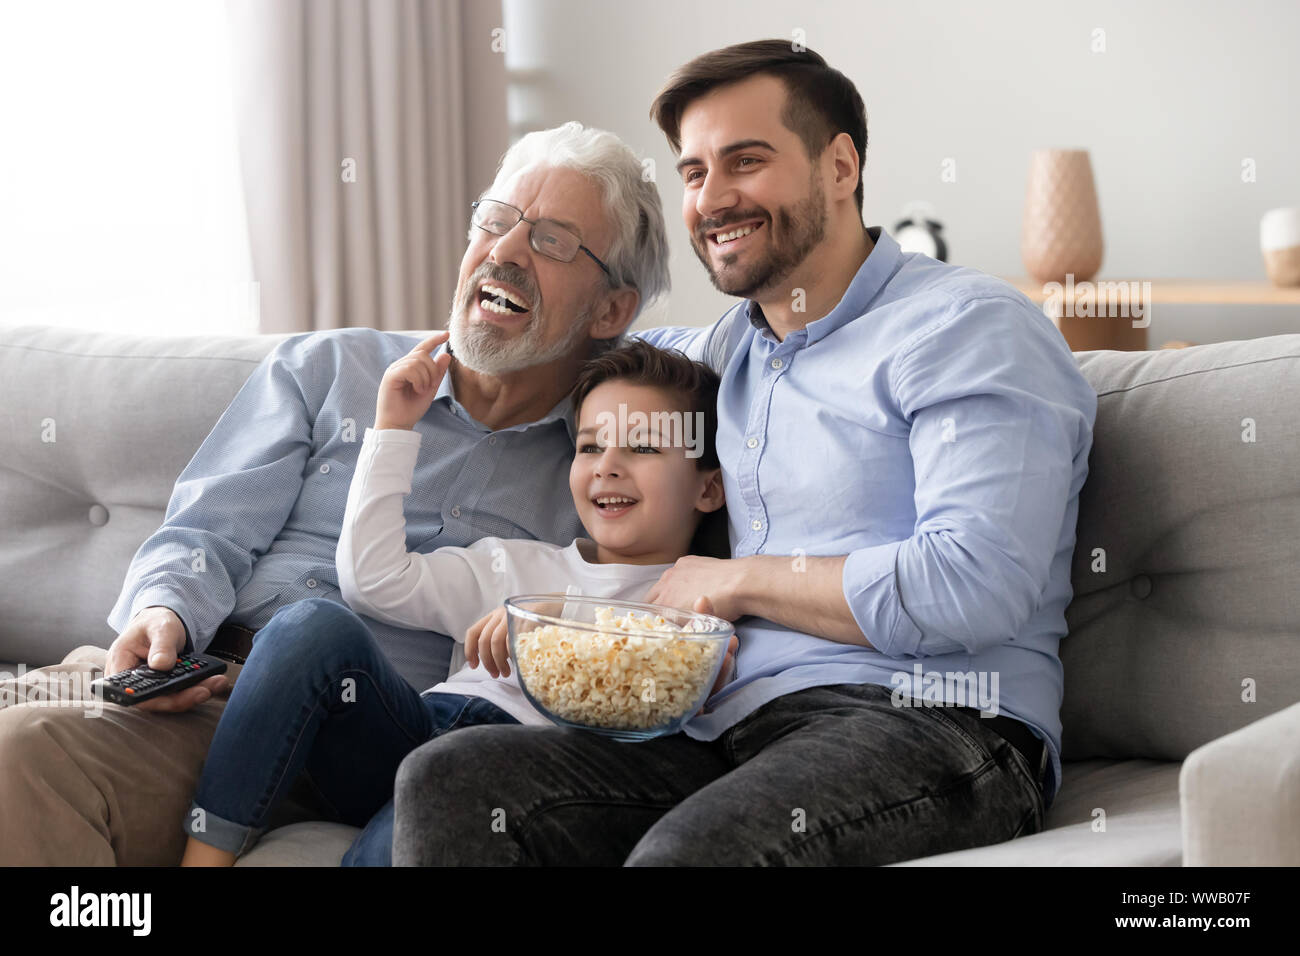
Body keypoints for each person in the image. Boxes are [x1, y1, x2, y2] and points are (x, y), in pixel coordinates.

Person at [390, 39, 1099, 866]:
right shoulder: (727, 352)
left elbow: (972, 583)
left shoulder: (966, 329)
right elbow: (573, 342)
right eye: (693, 173)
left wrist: (735, 579)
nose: (713, 198)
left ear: (840, 166)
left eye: (746, 161)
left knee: (693, 853)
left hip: (938, 724)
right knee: (450, 778)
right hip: (726, 726)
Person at [0, 121, 677, 866]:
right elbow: (206, 531)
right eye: (496, 219)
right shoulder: (333, 366)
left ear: (612, 311)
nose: (505, 252)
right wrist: (163, 614)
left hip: (365, 747)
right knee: (24, 723)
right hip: (198, 686)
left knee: (24, 744)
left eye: (550, 241)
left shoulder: (606, 467)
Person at [179, 337, 731, 865]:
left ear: (708, 488)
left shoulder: (700, 600)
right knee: (310, 625)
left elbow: (673, 692)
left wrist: (561, 622)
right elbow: (374, 581)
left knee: (436, 798)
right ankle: (204, 857)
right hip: (411, 733)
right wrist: (394, 428)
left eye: (642, 446)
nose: (608, 465)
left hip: (502, 778)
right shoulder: (518, 564)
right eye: (590, 446)